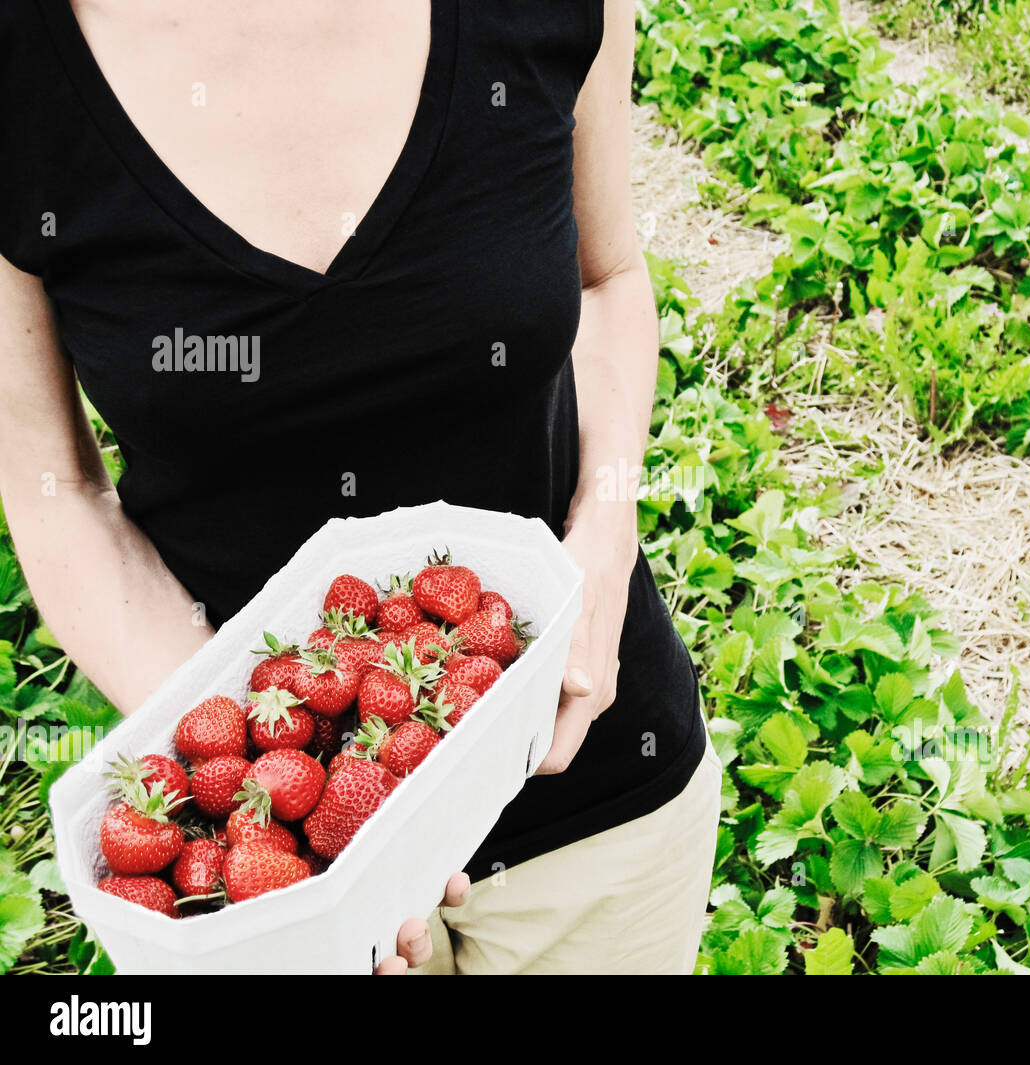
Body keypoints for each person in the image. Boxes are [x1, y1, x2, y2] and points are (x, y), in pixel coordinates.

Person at [0, 0, 720, 974]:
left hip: (587, 769)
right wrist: (282, 823)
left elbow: (607, 279)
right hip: (283, 889)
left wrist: (604, 531)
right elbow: (55, 490)